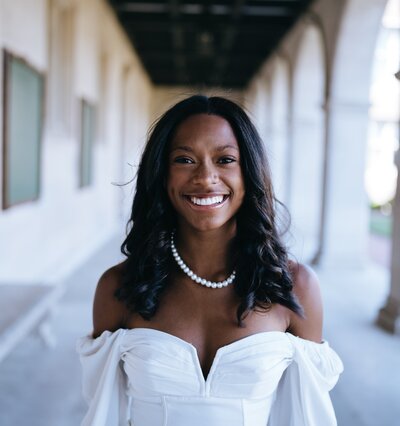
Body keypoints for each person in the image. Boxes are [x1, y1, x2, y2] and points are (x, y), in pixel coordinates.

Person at [77, 95, 343, 426]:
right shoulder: (118, 287)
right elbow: (104, 411)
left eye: (225, 159)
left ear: (250, 173)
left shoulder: (295, 287)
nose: (205, 178)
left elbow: (308, 415)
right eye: (185, 160)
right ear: (161, 174)